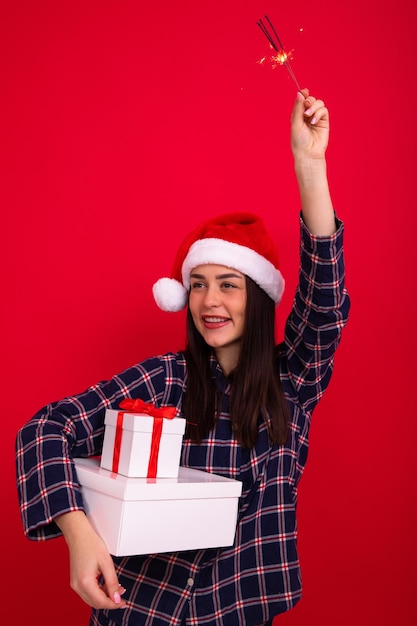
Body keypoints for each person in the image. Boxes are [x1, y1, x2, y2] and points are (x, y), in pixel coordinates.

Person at [16, 89, 350, 626]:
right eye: (196, 285)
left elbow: (326, 303)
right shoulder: (164, 379)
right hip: (140, 610)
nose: (209, 301)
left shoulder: (294, 381)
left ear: (259, 298)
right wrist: (76, 532)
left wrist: (309, 164)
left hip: (240, 609)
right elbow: (44, 429)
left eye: (227, 285)